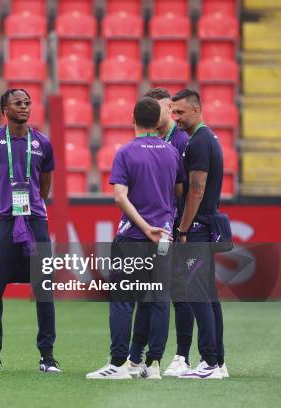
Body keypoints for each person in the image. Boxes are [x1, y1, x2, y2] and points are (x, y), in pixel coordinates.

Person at [86, 97, 183, 380]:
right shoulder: (171, 152)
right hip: (164, 237)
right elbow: (178, 191)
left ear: (133, 119)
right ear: (158, 122)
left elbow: (120, 197)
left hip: (134, 237)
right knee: (159, 300)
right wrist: (160, 223)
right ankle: (152, 366)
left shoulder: (126, 152)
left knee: (123, 300)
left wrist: (143, 226)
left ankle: (118, 364)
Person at [0, 89, 59, 373]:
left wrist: (32, 207)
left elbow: (44, 185)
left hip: (35, 221)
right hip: (3, 222)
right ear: (4, 109)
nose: (24, 107)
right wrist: (1, 205)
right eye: (17, 103)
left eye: (27, 102)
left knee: (44, 289)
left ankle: (47, 357)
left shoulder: (43, 143)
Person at [126, 88, 194, 377]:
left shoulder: (182, 141)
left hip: (175, 229)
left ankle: (181, 356)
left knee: (179, 293)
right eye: (166, 109)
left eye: (171, 108)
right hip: (156, 230)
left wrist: (183, 227)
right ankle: (136, 357)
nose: (170, 114)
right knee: (148, 294)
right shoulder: (152, 142)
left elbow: (187, 189)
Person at [172, 89, 227, 380]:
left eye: (180, 112)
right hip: (206, 225)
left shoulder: (199, 142)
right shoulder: (208, 138)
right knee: (209, 296)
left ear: (196, 110)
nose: (175, 118)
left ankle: (208, 363)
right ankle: (218, 360)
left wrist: (182, 229)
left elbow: (196, 190)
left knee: (197, 293)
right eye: (173, 112)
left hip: (197, 228)